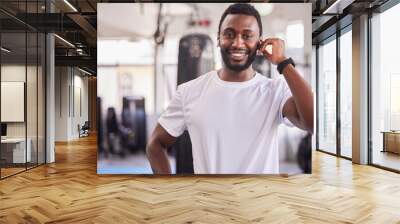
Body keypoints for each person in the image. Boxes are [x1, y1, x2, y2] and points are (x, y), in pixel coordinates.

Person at [146, 3, 313, 174]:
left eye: (247, 36)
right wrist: (168, 191)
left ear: (259, 43)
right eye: (229, 34)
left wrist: (283, 62)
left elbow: (312, 123)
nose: (237, 42)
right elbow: (155, 145)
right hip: (208, 200)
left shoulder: (275, 91)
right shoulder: (189, 92)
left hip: (261, 199)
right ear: (219, 39)